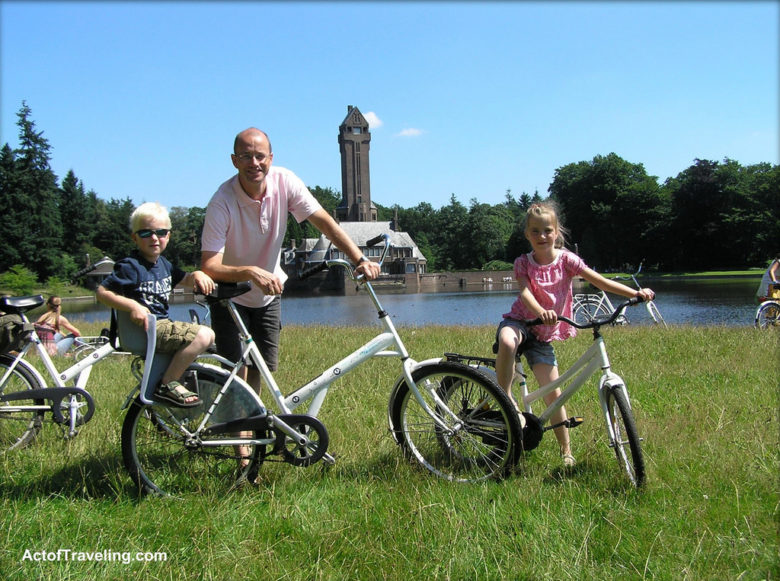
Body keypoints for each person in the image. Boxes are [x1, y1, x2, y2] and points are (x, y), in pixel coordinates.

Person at [201, 127, 381, 392]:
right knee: (236, 370)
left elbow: (325, 223)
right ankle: (238, 429)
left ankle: (252, 426)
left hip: (268, 294)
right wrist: (251, 272)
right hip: (230, 296)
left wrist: (359, 259)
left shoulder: (285, 182)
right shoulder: (222, 202)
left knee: (260, 367)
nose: (254, 163)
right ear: (234, 160)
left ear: (271, 158)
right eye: (246, 156)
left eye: (260, 156)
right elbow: (209, 266)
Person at [494, 201, 654, 467]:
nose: (542, 236)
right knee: (507, 341)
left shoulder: (566, 260)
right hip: (521, 321)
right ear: (527, 234)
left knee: (553, 395)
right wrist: (541, 309)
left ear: (556, 232)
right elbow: (524, 292)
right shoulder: (523, 262)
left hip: (544, 334)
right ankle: (506, 400)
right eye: (535, 231)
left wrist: (635, 293)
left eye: (547, 230)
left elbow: (599, 280)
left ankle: (566, 451)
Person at [97, 202, 216, 408]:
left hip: (159, 327)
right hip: (147, 329)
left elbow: (185, 279)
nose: (154, 238)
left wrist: (197, 274)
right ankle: (168, 383)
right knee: (205, 335)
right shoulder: (130, 266)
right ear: (134, 237)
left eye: (161, 232)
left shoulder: (163, 264)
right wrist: (132, 306)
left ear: (168, 236)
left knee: (212, 343)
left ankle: (169, 396)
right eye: (146, 233)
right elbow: (102, 292)